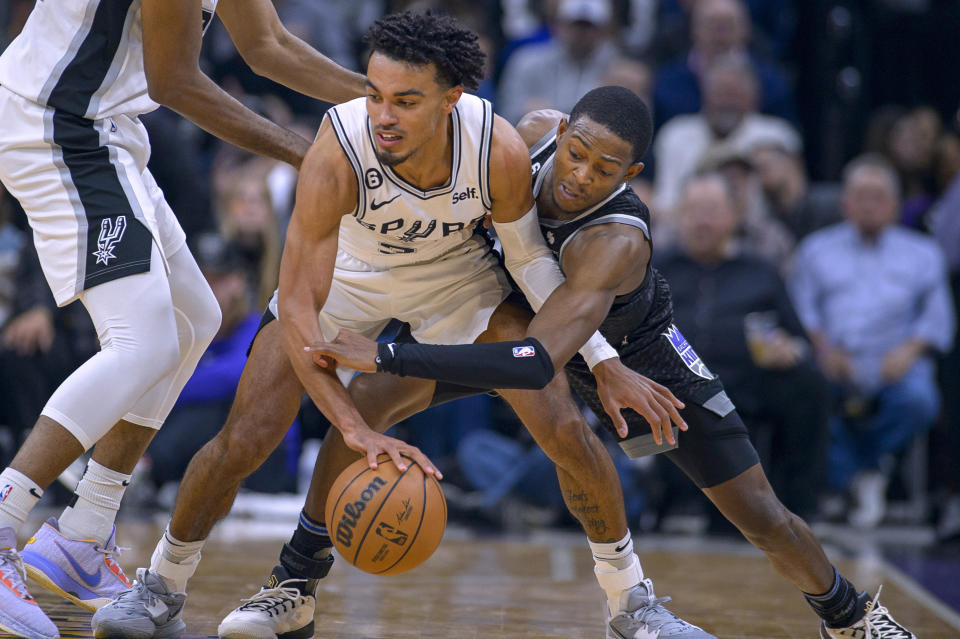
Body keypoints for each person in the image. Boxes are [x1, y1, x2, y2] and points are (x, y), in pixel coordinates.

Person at [93, 12, 691, 639]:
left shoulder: (496, 145)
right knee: (248, 436)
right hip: (349, 276)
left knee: (562, 423)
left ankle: (632, 603)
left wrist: (601, 359)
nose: (384, 115)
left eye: (406, 101)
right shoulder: (339, 147)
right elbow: (299, 307)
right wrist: (352, 426)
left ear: (451, 100)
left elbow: (529, 261)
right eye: (375, 94)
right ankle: (163, 586)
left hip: (457, 278)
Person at [311, 86, 919, 639]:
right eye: (575, 153)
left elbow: (533, 363)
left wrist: (388, 352)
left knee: (759, 516)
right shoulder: (526, 136)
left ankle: (851, 616)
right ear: (563, 130)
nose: (579, 176)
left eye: (605, 171)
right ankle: (296, 570)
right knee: (368, 404)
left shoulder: (615, 239)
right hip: (524, 328)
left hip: (638, 359)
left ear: (630, 175)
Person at [0, 1, 369, 637]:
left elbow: (268, 43)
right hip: (54, 122)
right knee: (140, 342)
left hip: (108, 128)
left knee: (193, 319)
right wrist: (305, 155)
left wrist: (382, 99)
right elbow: (175, 82)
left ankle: (83, 536)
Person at [790, 154, 955, 529]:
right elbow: (801, 308)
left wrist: (909, 351)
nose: (868, 204)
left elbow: (938, 318)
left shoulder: (923, 254)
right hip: (831, 356)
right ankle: (867, 473)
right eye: (860, 195)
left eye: (878, 196)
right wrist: (823, 347)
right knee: (807, 393)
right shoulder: (815, 249)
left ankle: (853, 474)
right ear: (845, 203)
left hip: (897, 360)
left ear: (896, 205)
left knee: (920, 400)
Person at [655, 172, 829, 520]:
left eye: (713, 211)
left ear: (735, 215)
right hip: (672, 385)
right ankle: (664, 505)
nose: (702, 221)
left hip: (746, 383)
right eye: (693, 211)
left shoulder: (761, 271)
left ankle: (798, 504)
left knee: (809, 385)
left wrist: (788, 348)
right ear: (679, 217)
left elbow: (799, 340)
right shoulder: (656, 268)